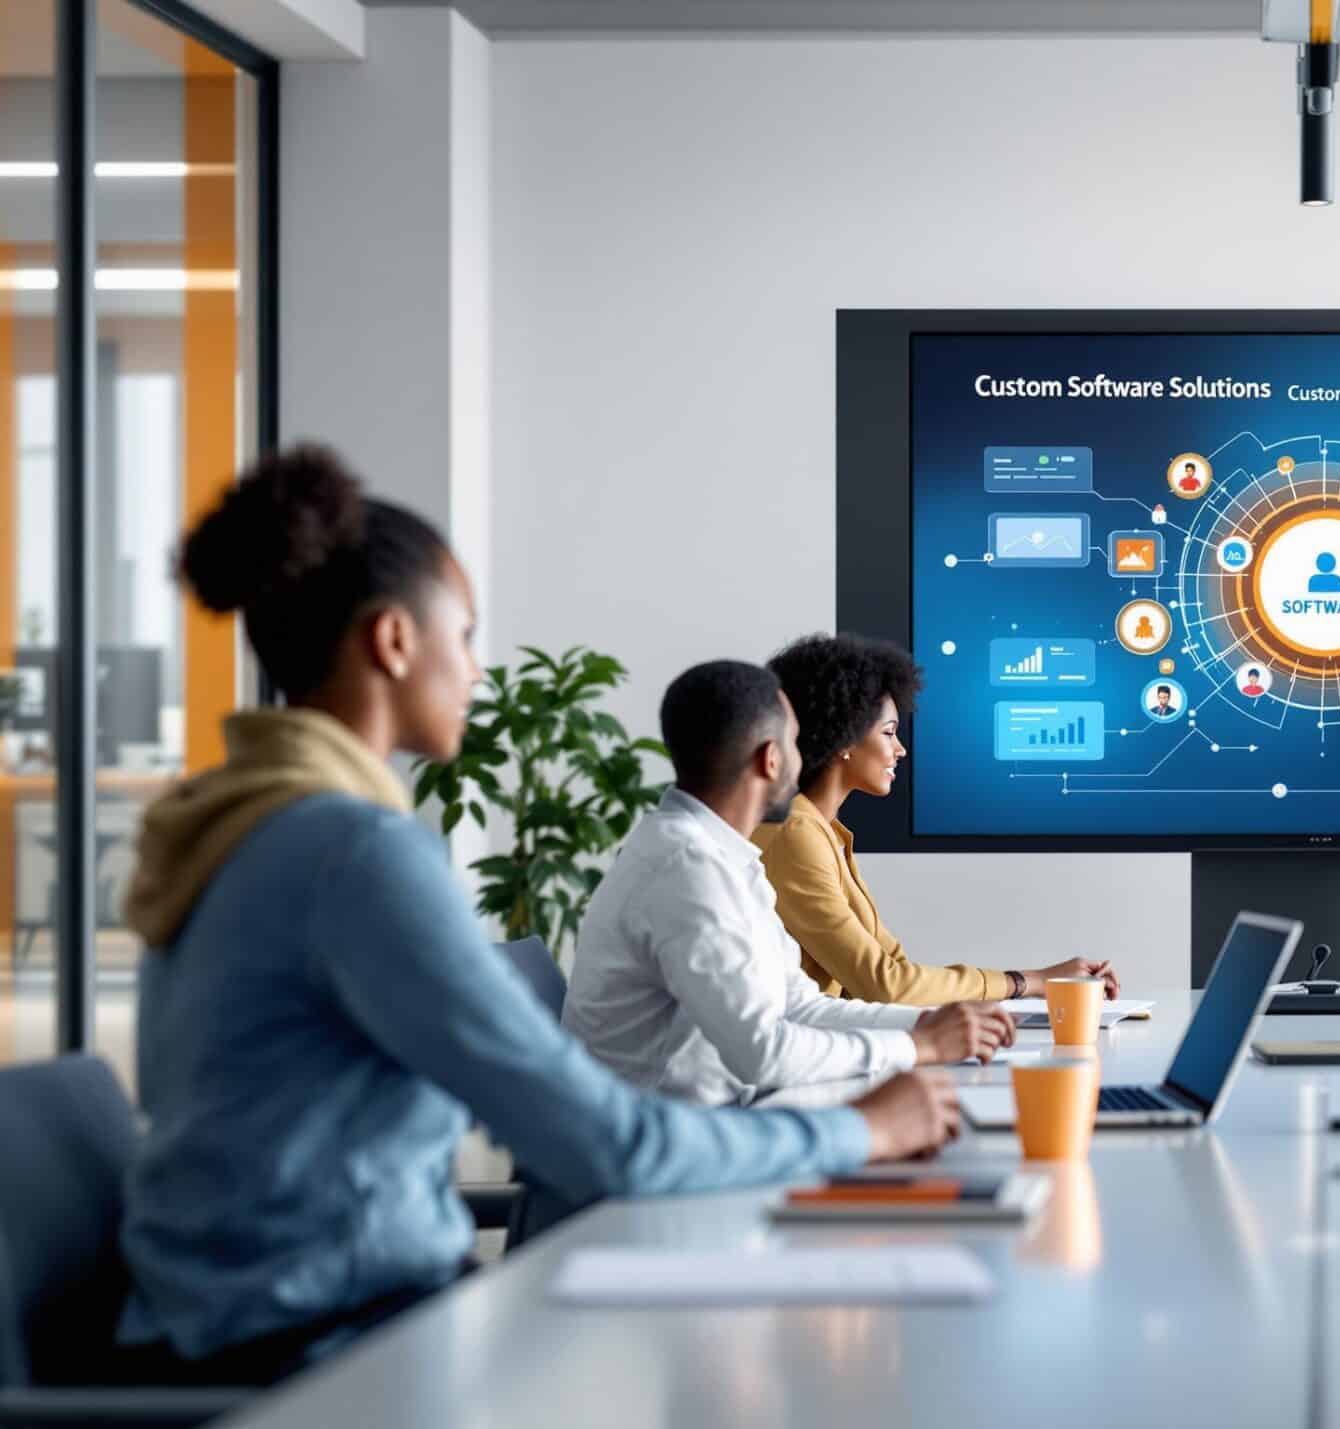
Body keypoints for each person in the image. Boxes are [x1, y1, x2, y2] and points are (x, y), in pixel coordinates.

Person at [113, 447, 960, 1387]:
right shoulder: (354, 853)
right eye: (465, 636)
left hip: (256, 1319)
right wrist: (868, 1131)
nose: (477, 670)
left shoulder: (239, 818)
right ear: (395, 642)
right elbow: (611, 1141)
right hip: (326, 1350)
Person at [568, 661, 1014, 1101]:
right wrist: (922, 1046)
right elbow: (762, 1052)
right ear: (772, 759)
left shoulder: (727, 857)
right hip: (664, 1145)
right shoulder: (687, 867)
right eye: (798, 742)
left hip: (715, 1119)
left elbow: (800, 1005)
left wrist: (928, 1025)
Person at [754, 633, 1119, 1006]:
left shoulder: (821, 830)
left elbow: (894, 969)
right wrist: (1029, 982)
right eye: (889, 733)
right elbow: (886, 985)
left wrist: (1041, 979)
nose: (901, 749)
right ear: (843, 737)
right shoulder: (796, 834)